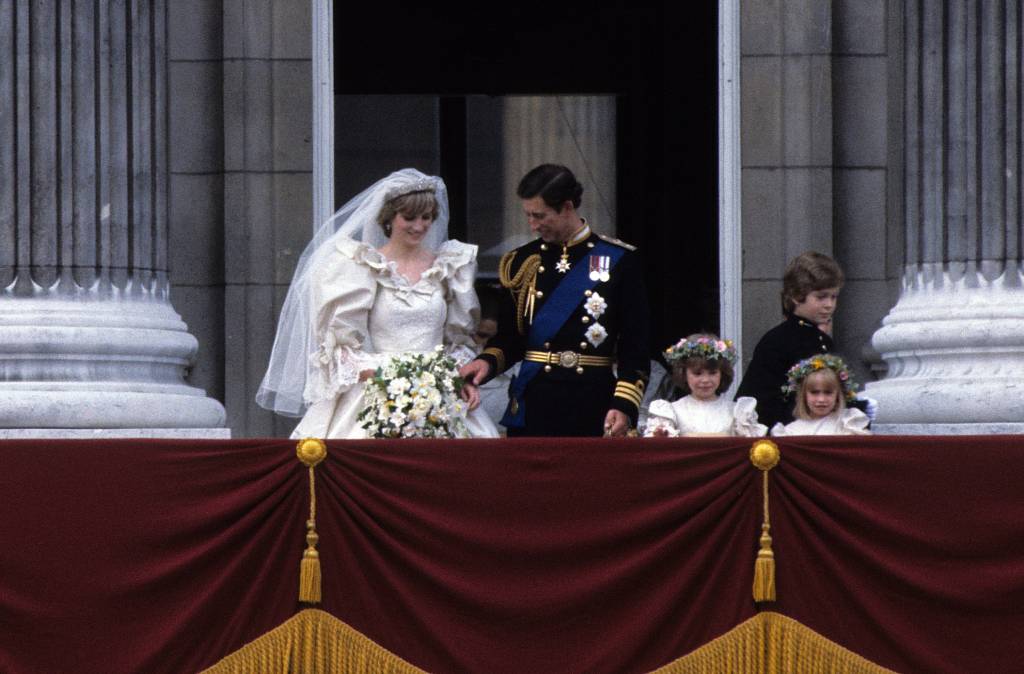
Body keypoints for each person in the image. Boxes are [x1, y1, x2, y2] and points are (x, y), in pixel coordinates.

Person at [256, 168, 499, 439]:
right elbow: (341, 348)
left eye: (426, 217)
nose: (419, 226)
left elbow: (458, 340)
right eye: (409, 217)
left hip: (439, 392)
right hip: (379, 389)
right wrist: (395, 377)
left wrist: (457, 377)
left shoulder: (449, 266)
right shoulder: (361, 267)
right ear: (388, 219)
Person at [460, 164, 650, 437]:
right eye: (528, 215)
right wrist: (487, 363)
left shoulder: (619, 260)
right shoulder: (522, 261)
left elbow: (636, 345)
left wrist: (624, 404)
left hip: (593, 402)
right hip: (535, 402)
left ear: (567, 207)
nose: (532, 225)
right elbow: (511, 339)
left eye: (540, 216)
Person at [735, 250, 846, 428]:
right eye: (821, 297)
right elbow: (758, 401)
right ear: (796, 296)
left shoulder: (823, 340)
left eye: (833, 297)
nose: (829, 305)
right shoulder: (778, 340)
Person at [643, 334, 766, 437]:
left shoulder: (736, 413)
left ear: (722, 374)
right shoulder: (672, 412)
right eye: (697, 373)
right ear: (683, 374)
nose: (705, 380)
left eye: (712, 373)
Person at [770, 354, 871, 436]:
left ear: (838, 395)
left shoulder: (848, 423)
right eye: (814, 392)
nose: (821, 399)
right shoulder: (791, 431)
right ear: (803, 395)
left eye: (828, 392)